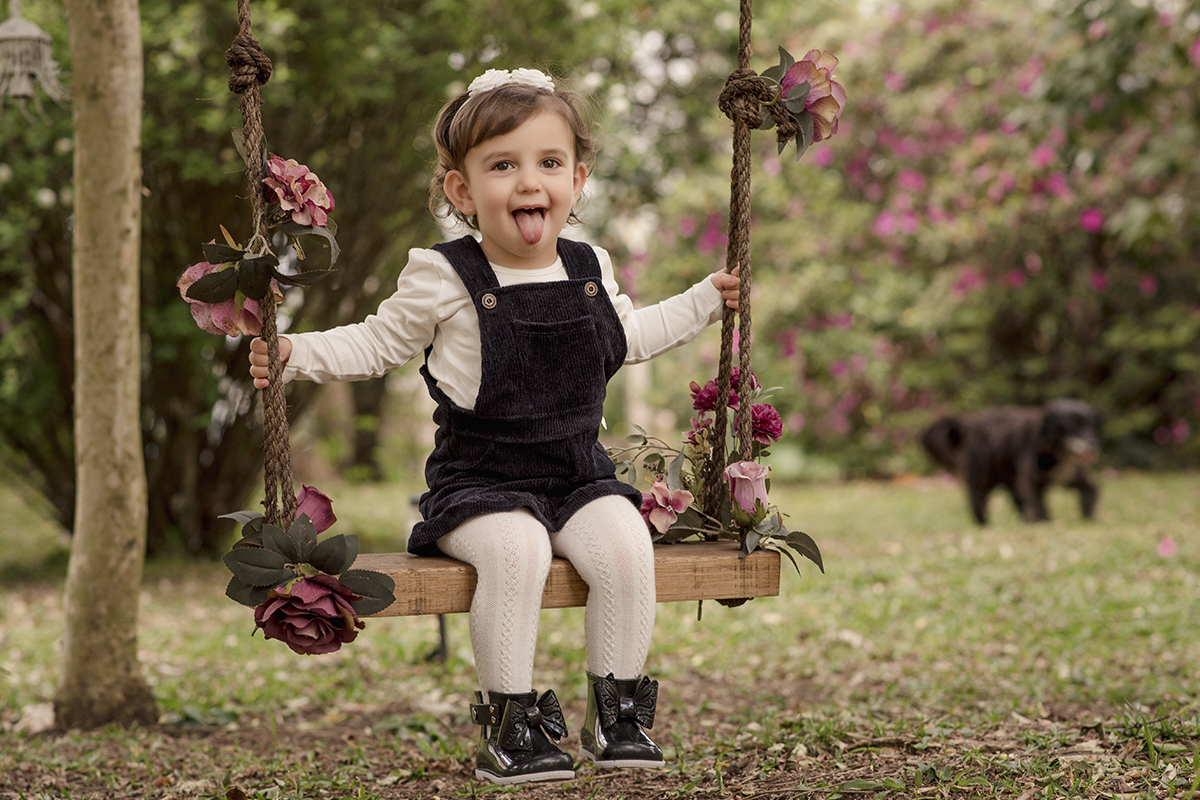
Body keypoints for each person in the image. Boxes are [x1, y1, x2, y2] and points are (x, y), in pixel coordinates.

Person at [249, 67, 740, 785]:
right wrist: (296, 352)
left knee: (627, 546)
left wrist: (704, 300)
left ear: (578, 179)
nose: (528, 182)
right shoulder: (444, 275)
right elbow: (378, 342)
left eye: (549, 163)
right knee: (517, 552)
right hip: (479, 484)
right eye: (502, 165)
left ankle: (617, 716)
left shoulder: (588, 267)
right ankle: (511, 726)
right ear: (461, 190)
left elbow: (628, 337)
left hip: (578, 474)